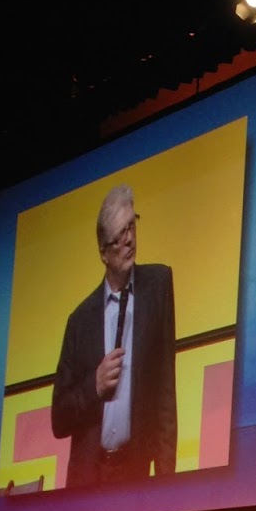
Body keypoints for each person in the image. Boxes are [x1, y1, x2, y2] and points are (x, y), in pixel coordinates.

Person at [51, 183, 177, 489]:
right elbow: (59, 419)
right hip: (87, 478)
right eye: (119, 236)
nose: (129, 239)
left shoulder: (158, 285)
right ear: (103, 254)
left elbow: (165, 390)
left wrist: (167, 485)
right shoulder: (79, 321)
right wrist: (93, 387)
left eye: (131, 226)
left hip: (135, 471)